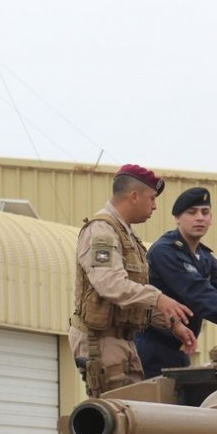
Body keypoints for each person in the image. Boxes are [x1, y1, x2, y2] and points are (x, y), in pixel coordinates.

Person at [70, 164, 197, 397]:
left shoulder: (126, 235)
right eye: (151, 198)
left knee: (136, 410)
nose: (155, 206)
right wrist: (158, 298)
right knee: (119, 414)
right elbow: (111, 284)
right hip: (102, 340)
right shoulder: (102, 231)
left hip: (124, 339)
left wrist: (171, 323)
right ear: (134, 196)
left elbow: (134, 296)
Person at [136, 187, 217, 379]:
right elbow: (199, 294)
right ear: (177, 218)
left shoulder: (203, 256)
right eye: (192, 212)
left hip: (178, 347)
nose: (200, 218)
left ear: (211, 219)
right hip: (152, 347)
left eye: (205, 212)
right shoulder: (165, 252)